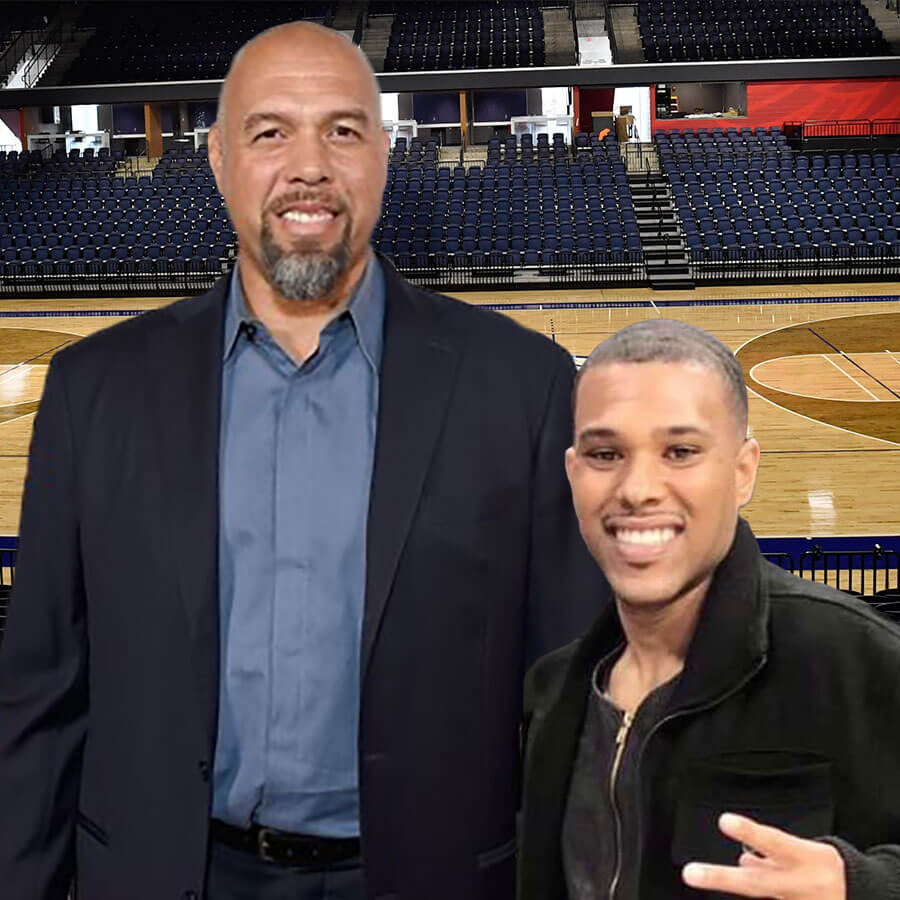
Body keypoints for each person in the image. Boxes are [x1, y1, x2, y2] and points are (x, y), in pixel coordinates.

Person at [0, 22, 608, 900]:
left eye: (343, 130)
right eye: (270, 132)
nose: (309, 166)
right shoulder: (93, 391)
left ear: (385, 156)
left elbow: (570, 699)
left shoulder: (524, 387)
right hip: (166, 871)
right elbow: (40, 698)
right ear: (218, 160)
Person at [518, 319, 900, 900]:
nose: (637, 489)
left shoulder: (854, 663)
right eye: (605, 454)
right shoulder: (552, 692)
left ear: (743, 472)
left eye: (681, 452)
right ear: (573, 474)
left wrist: (862, 886)